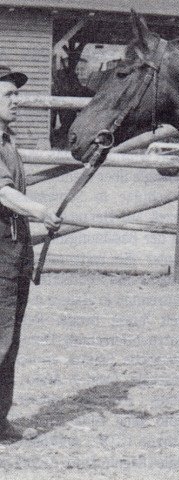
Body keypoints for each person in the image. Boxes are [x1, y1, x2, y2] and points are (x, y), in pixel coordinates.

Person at [0, 66, 61, 441]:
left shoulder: (7, 140)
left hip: (14, 253)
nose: (16, 100)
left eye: (16, 94)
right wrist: (40, 211)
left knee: (9, 342)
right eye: (8, 95)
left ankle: (0, 422)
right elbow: (3, 192)